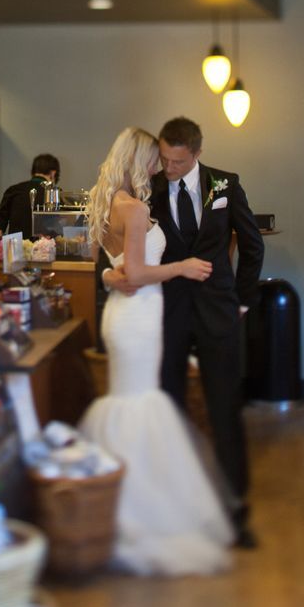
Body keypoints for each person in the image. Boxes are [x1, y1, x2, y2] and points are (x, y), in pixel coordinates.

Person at [80, 127, 234, 576]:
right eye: (152, 159)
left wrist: (110, 277)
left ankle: (122, 504)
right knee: (139, 404)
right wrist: (182, 267)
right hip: (138, 317)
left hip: (123, 314)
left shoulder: (107, 201)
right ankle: (136, 513)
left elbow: (114, 270)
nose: (157, 167)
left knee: (129, 401)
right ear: (137, 159)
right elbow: (138, 273)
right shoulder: (136, 208)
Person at [104, 116, 264, 548]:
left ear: (197, 153)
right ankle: (176, 506)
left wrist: (242, 301)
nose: (169, 168)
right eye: (164, 159)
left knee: (224, 407)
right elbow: (121, 248)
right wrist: (109, 275)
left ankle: (235, 510)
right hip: (165, 313)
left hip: (218, 313)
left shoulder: (226, 185)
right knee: (168, 408)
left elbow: (253, 246)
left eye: (177, 161)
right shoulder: (148, 189)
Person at [0, 153, 60, 241]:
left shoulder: (13, 191)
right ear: (53, 173)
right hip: (45, 248)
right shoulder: (55, 195)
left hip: (17, 248)